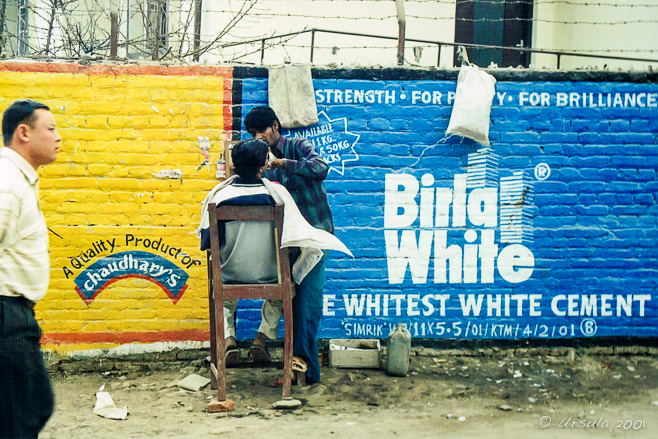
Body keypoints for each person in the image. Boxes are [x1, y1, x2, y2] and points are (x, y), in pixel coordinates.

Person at [244, 106, 333, 385]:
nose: (259, 137)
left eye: (261, 132)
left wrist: (282, 164)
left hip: (315, 237)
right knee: (292, 304)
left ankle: (302, 372)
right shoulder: (263, 163)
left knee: (308, 304)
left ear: (275, 126)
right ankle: (300, 374)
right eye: (253, 135)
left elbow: (321, 168)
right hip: (289, 240)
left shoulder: (297, 146)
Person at [0, 99, 61, 438]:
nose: (58, 137)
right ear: (23, 132)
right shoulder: (7, 181)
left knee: (30, 409)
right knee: (23, 416)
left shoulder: (18, 177)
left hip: (14, 315)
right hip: (5, 315)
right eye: (50, 129)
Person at [198, 139, 281, 365]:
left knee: (222, 297)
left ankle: (229, 340)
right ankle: (261, 339)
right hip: (270, 276)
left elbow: (207, 242)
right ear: (263, 165)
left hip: (230, 275)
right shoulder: (277, 196)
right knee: (284, 294)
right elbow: (290, 238)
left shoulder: (219, 197)